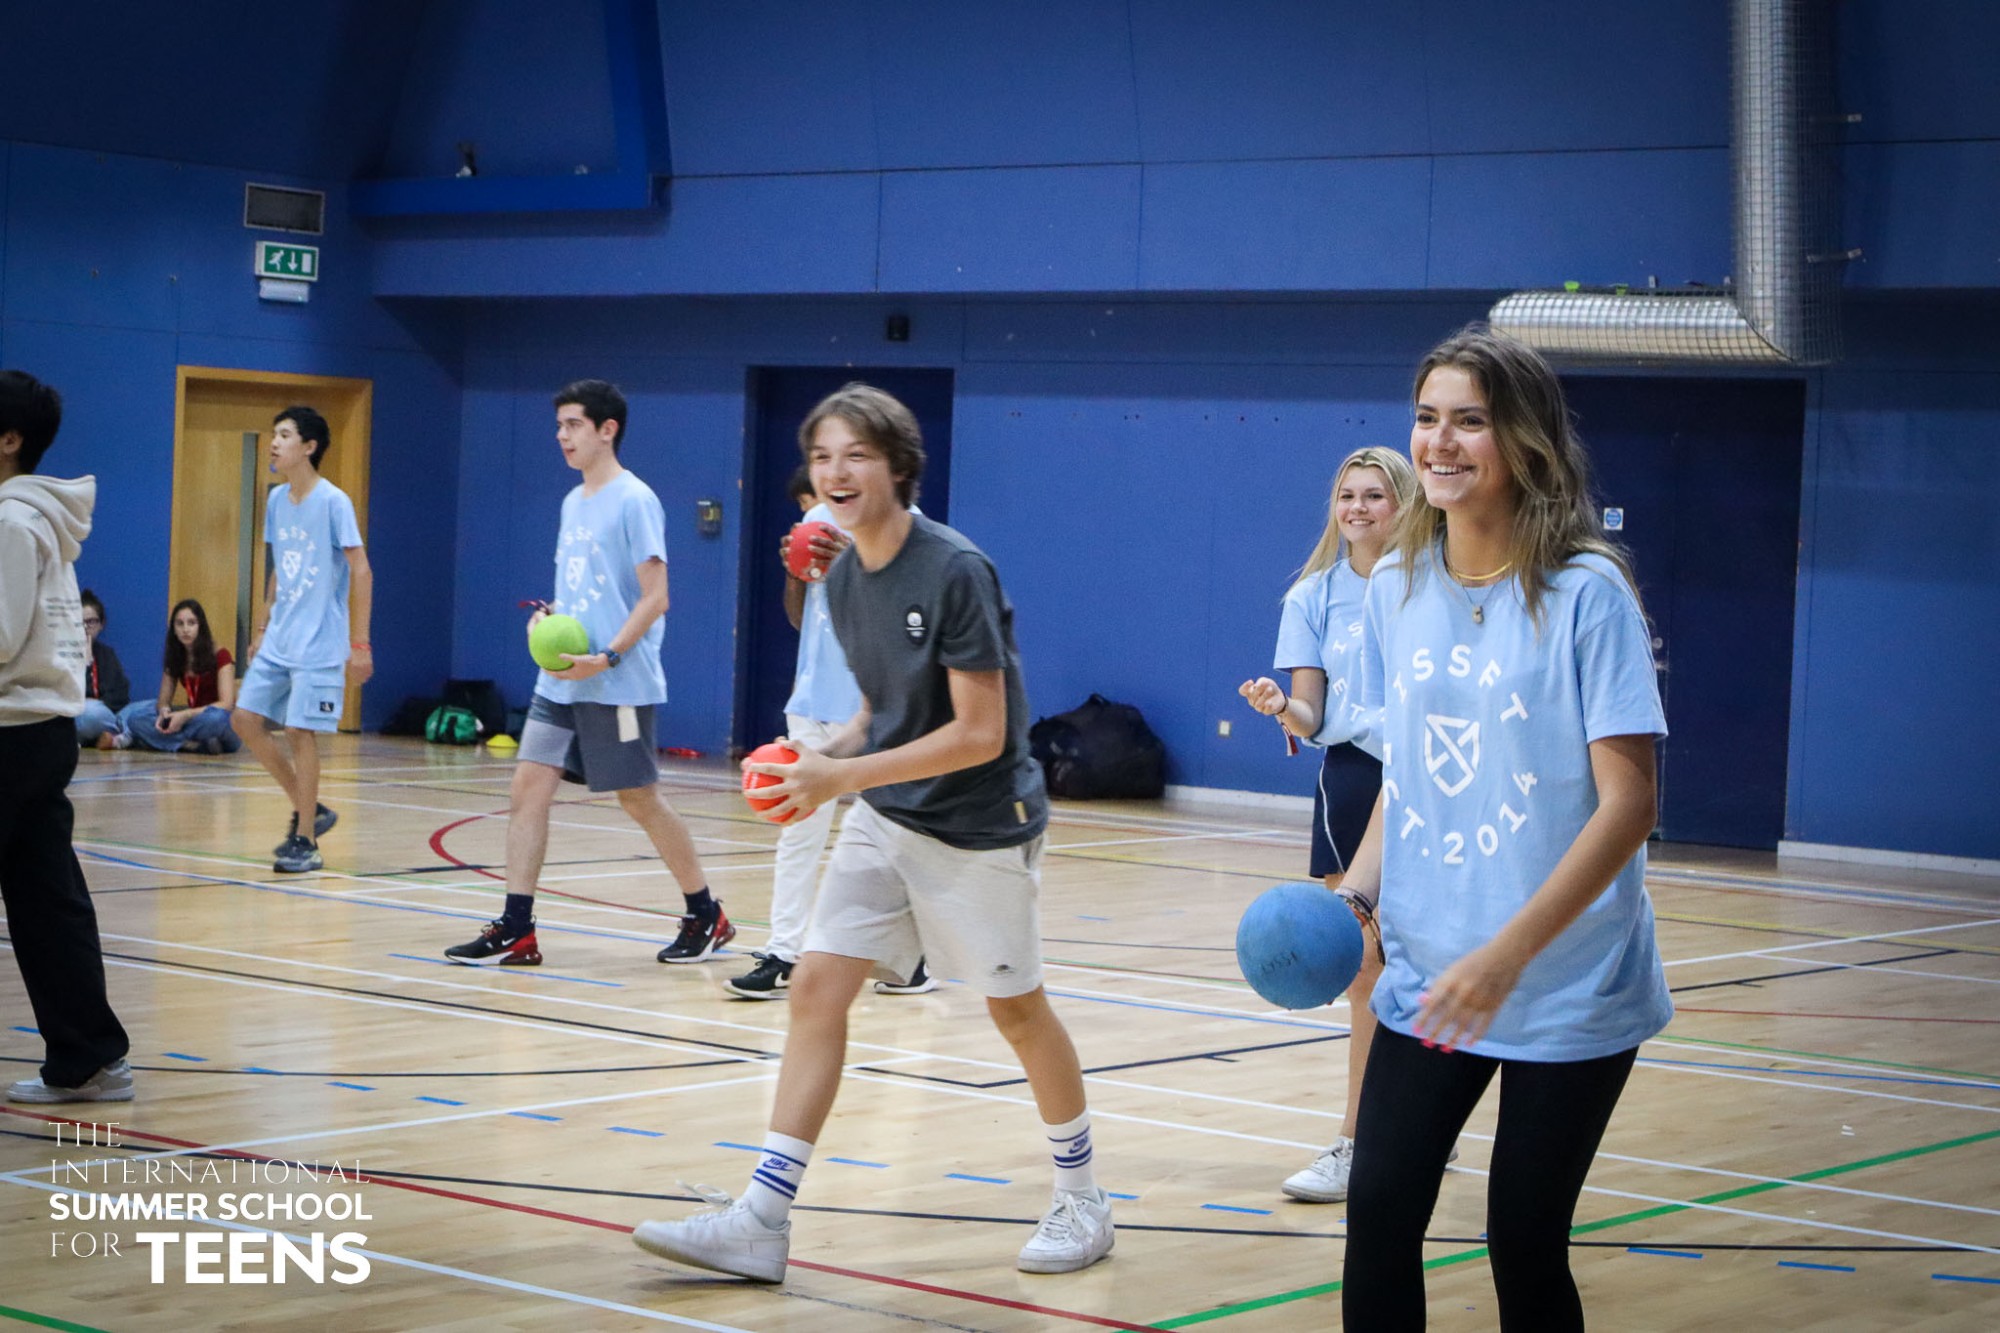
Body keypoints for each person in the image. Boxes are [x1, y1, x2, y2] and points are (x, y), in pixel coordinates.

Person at [633, 383, 1113, 1282]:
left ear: (898, 465)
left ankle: (1083, 1197)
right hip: (890, 814)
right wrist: (820, 758)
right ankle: (762, 1218)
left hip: (979, 823)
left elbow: (980, 731)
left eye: (855, 454)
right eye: (821, 456)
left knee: (1015, 1010)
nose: (835, 471)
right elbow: (878, 709)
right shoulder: (846, 576)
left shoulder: (955, 569)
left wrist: (840, 777)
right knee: (817, 988)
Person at [1338, 326, 1670, 1331]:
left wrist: (1506, 954)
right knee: (1378, 1211)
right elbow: (1408, 772)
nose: (1440, 442)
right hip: (1431, 973)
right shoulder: (1395, 585)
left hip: (1566, 980)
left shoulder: (1586, 593)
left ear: (1522, 441)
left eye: (1469, 421)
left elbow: (1630, 803)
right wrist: (1357, 891)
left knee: (1522, 1239)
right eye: (1427, 417)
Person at [445, 380, 726, 967]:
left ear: (607, 429)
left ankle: (706, 914)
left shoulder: (635, 500)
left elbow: (656, 598)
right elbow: (586, 592)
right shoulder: (572, 502)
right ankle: (516, 927)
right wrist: (550, 619)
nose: (561, 436)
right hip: (560, 679)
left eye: (573, 424)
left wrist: (608, 656)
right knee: (528, 789)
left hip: (617, 679)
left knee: (639, 799)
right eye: (558, 426)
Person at [1236, 445, 1418, 1203]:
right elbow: (1311, 710)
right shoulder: (1312, 595)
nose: (1358, 508)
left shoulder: (1433, 586)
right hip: (1352, 777)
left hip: (1433, 778)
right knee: (1364, 964)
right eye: (1348, 495)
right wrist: (1285, 708)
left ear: (1404, 504)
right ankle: (1357, 1141)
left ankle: (1416, 1128)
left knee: (1429, 960)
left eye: (1374, 495)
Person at [727, 464, 936, 1000]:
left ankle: (913, 957)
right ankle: (783, 952)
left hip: (876, 707)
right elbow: (801, 619)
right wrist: (795, 573)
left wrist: (855, 565)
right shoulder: (817, 518)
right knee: (798, 830)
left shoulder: (908, 527)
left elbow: (913, 620)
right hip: (812, 699)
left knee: (891, 836)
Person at [0, 369, 133, 1105]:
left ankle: (89, 1056)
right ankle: (88, 1058)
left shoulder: (12, 521)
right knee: (48, 903)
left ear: (9, 439)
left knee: (48, 903)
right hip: (41, 731)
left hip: (10, 731)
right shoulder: (41, 519)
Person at [231, 406, 373, 873]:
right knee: (244, 719)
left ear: (309, 447)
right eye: (273, 434)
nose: (274, 442)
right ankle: (311, 807)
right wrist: (262, 626)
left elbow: (361, 570)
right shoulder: (276, 500)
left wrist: (360, 645)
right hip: (281, 638)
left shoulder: (334, 502)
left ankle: (307, 841)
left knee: (298, 730)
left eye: (285, 435)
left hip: (319, 641)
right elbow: (281, 567)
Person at [112, 599, 240, 754]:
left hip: (219, 721)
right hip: (191, 720)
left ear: (201, 627)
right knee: (136, 719)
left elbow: (226, 704)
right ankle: (190, 744)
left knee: (215, 719)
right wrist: (164, 712)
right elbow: (163, 701)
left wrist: (185, 715)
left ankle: (170, 741)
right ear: (173, 629)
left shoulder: (221, 655)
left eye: (191, 623)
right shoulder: (175, 656)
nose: (185, 629)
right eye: (180, 624)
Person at [74, 589, 131, 747]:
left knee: (93, 712)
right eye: (80, 622)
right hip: (72, 714)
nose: (85, 627)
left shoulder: (107, 655)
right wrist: (85, 665)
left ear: (101, 624)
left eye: (91, 622)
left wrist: (96, 703)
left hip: (98, 714)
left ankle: (107, 737)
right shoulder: (64, 655)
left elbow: (120, 695)